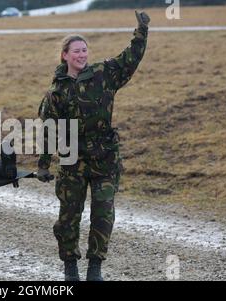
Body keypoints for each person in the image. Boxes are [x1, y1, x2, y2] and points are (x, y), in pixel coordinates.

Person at [37, 11, 150, 281]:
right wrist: (43, 164)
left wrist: (141, 32)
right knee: (68, 217)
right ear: (65, 55)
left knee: (103, 213)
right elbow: (49, 130)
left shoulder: (103, 74)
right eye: (76, 51)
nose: (82, 55)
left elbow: (130, 60)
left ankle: (95, 267)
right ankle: (70, 267)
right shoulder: (56, 92)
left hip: (104, 158)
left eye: (84, 50)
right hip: (71, 160)